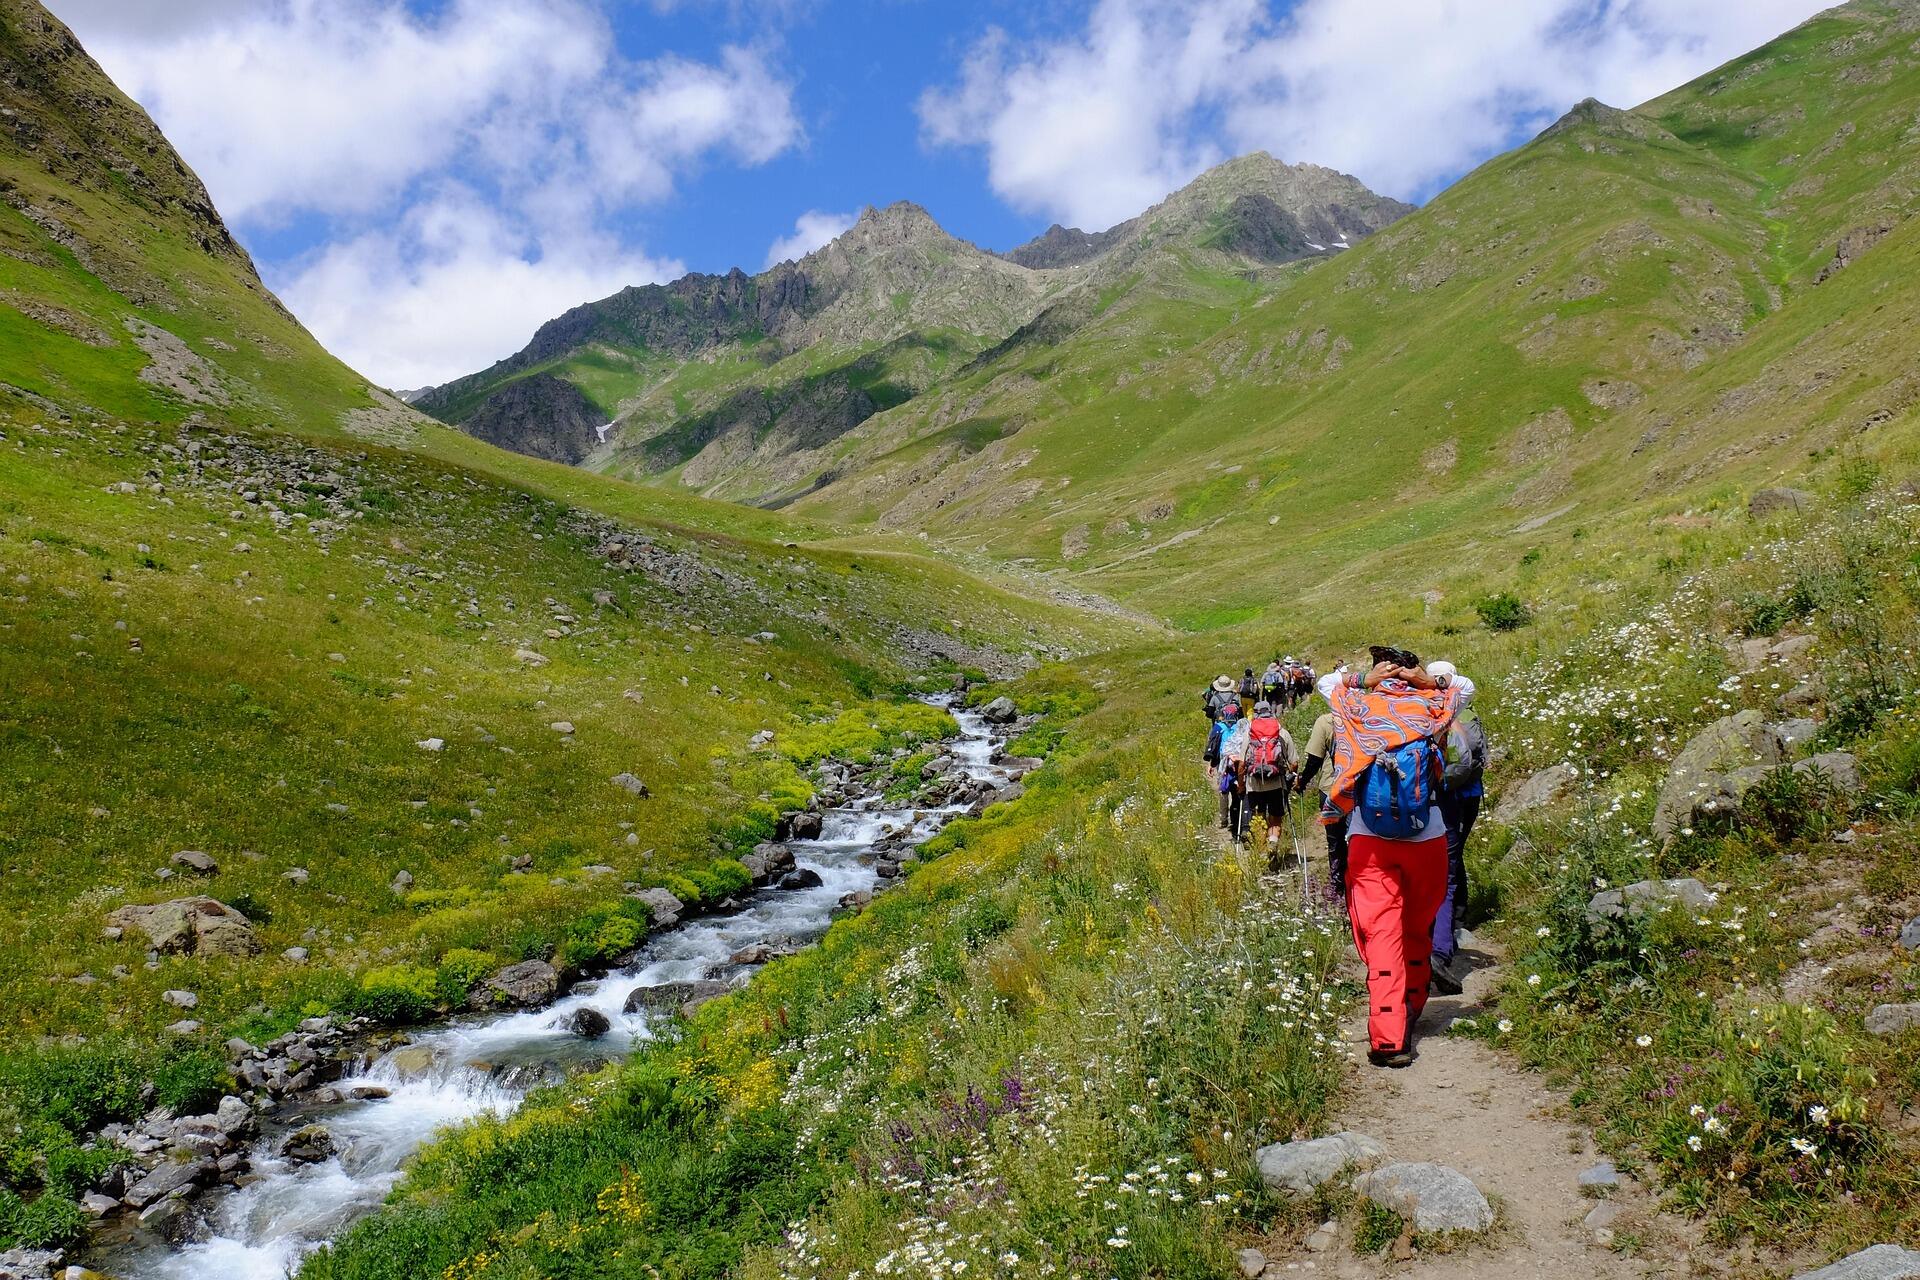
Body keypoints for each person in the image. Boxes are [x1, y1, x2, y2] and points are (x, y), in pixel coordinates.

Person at [1320, 646, 1462, 1068]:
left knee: (1382, 937)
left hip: (1370, 838)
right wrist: (1426, 681)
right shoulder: (1433, 705)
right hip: (1428, 836)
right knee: (1417, 929)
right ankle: (1413, 1004)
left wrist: (1365, 678)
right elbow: (1463, 686)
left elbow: (1329, 683)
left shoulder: (1358, 704)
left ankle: (1388, 1036)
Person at [1425, 661, 1487, 996]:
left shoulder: (1421, 710)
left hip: (1430, 801)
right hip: (1463, 795)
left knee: (1433, 874)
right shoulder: (1462, 709)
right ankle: (1447, 938)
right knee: (1450, 867)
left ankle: (1434, 941)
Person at [1295, 700, 1349, 900]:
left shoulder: (1326, 722)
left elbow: (1315, 760)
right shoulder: (1364, 719)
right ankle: (1356, 882)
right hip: (1360, 788)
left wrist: (1302, 781)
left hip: (1331, 787)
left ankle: (1338, 885)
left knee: (1335, 840)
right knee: (1356, 837)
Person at [1238, 699, 1297, 868]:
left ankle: (1263, 853)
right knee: (1276, 818)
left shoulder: (1249, 734)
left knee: (1259, 818)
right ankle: (1273, 843)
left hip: (1254, 785)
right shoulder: (1281, 732)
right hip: (1276, 783)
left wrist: (1241, 786)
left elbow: (1242, 764)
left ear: (1255, 714)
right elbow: (1294, 762)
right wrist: (1290, 775)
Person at [1204, 696, 1243, 829]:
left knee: (1223, 791)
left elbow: (1213, 748)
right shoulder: (1241, 726)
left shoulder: (1218, 727)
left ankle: (1223, 820)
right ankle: (1236, 819)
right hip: (1238, 763)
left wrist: (1211, 764)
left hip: (1223, 764)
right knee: (1237, 791)